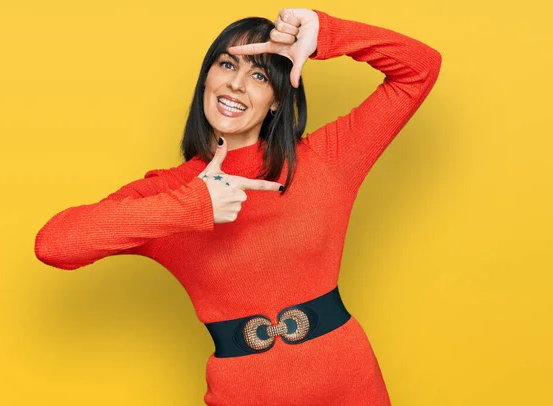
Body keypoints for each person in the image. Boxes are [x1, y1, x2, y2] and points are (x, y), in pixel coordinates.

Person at [34, 7, 442, 405]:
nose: (236, 85)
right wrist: (194, 203)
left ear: (279, 100)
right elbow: (55, 244)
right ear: (206, 80)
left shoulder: (327, 160)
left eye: (259, 75)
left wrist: (326, 34)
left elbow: (421, 68)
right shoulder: (172, 193)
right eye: (227, 66)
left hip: (350, 387)